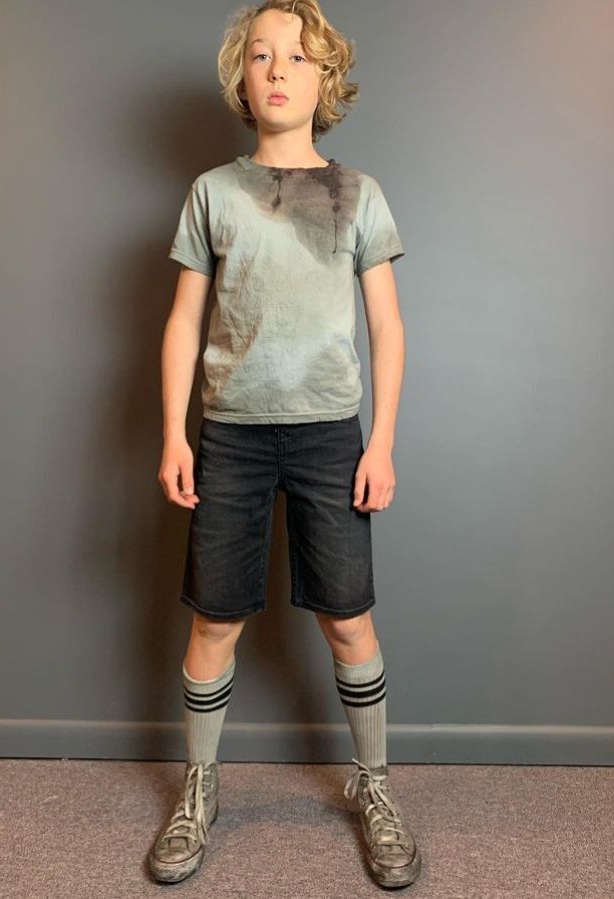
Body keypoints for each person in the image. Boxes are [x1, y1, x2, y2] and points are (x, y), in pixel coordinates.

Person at [148, 0, 421, 889]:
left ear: (323, 78)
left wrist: (378, 442)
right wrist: (173, 433)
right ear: (240, 78)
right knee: (215, 618)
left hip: (327, 436)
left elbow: (387, 326)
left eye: (295, 57)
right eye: (259, 56)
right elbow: (184, 324)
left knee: (348, 616)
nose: (276, 69)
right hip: (229, 434)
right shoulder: (212, 193)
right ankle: (200, 788)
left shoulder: (359, 194)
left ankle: (374, 786)